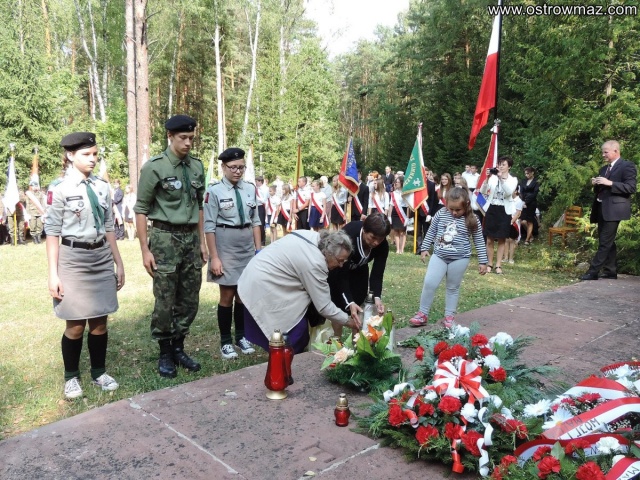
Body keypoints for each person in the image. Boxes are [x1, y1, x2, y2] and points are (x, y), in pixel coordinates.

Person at [45, 132, 124, 399]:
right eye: (86, 154)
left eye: (95, 154)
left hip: (100, 257)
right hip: (73, 259)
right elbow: (52, 232)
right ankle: (71, 377)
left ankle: (99, 372)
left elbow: (109, 226)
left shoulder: (101, 186)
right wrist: (53, 274)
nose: (92, 159)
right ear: (70, 155)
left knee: (100, 321)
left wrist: (118, 263)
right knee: (76, 325)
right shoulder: (59, 188)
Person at [134, 114, 206, 378]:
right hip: (165, 237)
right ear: (170, 136)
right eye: (183, 138)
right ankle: (165, 351)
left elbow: (199, 206)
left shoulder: (196, 166)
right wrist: (145, 249)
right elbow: (141, 209)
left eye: (191, 138)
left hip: (191, 238)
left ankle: (178, 347)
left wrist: (202, 243)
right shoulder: (154, 168)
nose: (187, 143)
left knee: (190, 298)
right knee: (165, 298)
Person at [238, 230, 361, 354]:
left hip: (256, 273)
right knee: (295, 334)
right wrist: (349, 322)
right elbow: (324, 306)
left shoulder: (316, 238)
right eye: (339, 260)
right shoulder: (315, 263)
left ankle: (284, 356)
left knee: (298, 332)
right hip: (263, 284)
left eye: (344, 261)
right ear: (329, 253)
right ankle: (283, 359)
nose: (341, 265)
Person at [204, 147, 261, 359]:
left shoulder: (250, 189)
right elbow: (209, 226)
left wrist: (258, 250)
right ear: (223, 167)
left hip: (246, 245)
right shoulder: (214, 191)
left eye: (241, 167)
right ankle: (226, 342)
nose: (237, 171)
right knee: (227, 295)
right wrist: (214, 257)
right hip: (225, 245)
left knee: (243, 294)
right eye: (233, 167)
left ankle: (241, 336)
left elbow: (256, 221)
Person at [410, 187, 488, 328]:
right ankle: (422, 314)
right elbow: (432, 230)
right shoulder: (441, 213)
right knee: (429, 283)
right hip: (439, 255)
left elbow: (479, 240)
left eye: (458, 210)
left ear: (467, 205)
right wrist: (424, 247)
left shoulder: (472, 219)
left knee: (452, 287)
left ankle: (449, 317)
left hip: (460, 258)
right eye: (451, 208)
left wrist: (483, 261)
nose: (454, 212)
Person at [581, 140, 637, 281]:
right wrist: (596, 183)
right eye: (602, 152)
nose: (603, 155)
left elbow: (631, 188)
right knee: (607, 241)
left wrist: (610, 183)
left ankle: (593, 272)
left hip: (615, 210)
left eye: (605, 152)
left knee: (605, 242)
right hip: (601, 208)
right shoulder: (603, 169)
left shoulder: (627, 166)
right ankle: (610, 271)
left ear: (615, 151)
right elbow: (601, 190)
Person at [328, 213, 390, 337]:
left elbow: (377, 274)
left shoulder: (382, 245)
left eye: (380, 239)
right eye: (373, 238)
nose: (376, 243)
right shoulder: (348, 236)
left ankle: (358, 342)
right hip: (338, 269)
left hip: (359, 270)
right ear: (364, 230)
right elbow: (341, 276)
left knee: (359, 306)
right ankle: (336, 339)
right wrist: (349, 302)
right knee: (339, 305)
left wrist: (377, 297)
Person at [480, 156, 518, 275]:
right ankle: (490, 263)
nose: (501, 166)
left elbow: (509, 192)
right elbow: (483, 191)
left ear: (509, 167)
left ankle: (498, 265)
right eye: (499, 164)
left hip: (504, 210)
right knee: (489, 239)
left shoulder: (513, 180)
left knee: (502, 238)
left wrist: (501, 179)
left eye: (503, 164)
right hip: (492, 208)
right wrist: (486, 179)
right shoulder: (492, 178)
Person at [519, 167, 539, 245]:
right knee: (522, 221)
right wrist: (523, 201)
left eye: (528, 173)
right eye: (525, 173)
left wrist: (526, 202)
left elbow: (534, 193)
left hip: (531, 203)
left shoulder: (536, 182)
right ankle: (531, 235)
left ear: (532, 173)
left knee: (530, 221)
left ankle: (527, 239)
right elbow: (521, 191)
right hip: (523, 202)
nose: (526, 175)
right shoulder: (524, 181)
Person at [503, 187, 524, 264]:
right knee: (506, 240)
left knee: (512, 240)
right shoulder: (508, 199)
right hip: (507, 220)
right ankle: (505, 257)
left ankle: (511, 258)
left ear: (515, 191)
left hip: (514, 222)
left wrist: (511, 222)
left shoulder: (519, 201)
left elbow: (518, 214)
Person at [388, 176, 408, 254]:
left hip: (403, 213)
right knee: (396, 231)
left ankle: (402, 249)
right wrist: (389, 216)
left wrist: (407, 218)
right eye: (395, 182)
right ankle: (397, 249)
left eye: (397, 182)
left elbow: (408, 206)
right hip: (395, 213)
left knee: (402, 232)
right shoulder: (393, 193)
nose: (396, 183)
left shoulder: (405, 192)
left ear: (402, 183)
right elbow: (391, 205)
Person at [255, 176, 269, 247]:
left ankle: (262, 240)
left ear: (260, 181)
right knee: (255, 224)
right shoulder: (256, 188)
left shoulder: (265, 189)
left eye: (256, 181)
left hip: (261, 207)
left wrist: (256, 197)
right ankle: (256, 240)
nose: (256, 183)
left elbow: (264, 200)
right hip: (255, 207)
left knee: (261, 224)